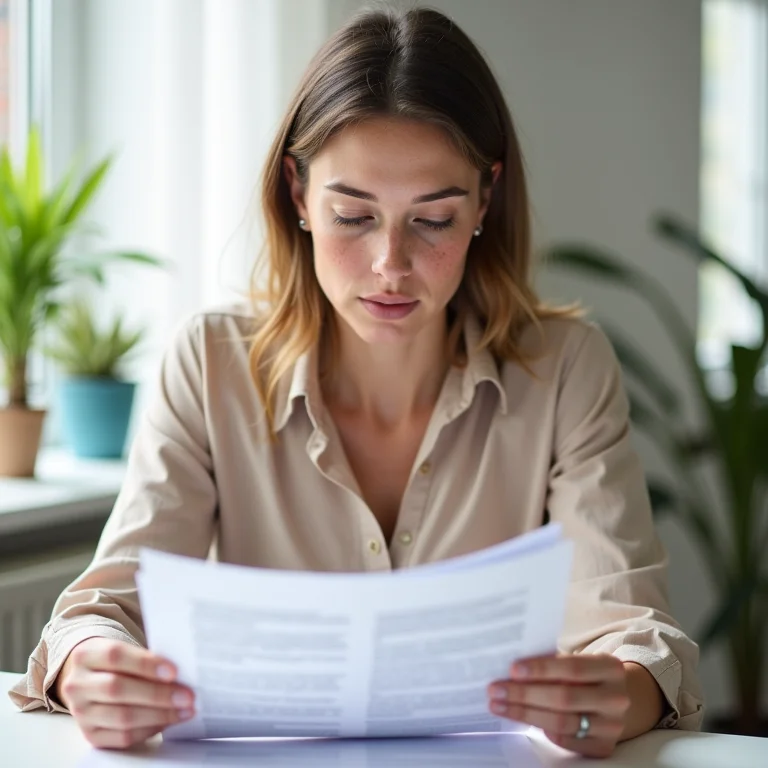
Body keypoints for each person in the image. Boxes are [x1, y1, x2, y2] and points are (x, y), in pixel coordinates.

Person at [8, 5, 703, 757]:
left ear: (484, 200)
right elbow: (104, 605)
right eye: (352, 215)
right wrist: (92, 666)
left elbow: (634, 632)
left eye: (432, 220)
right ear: (299, 195)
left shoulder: (565, 366)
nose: (390, 265)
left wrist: (619, 690)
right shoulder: (209, 363)